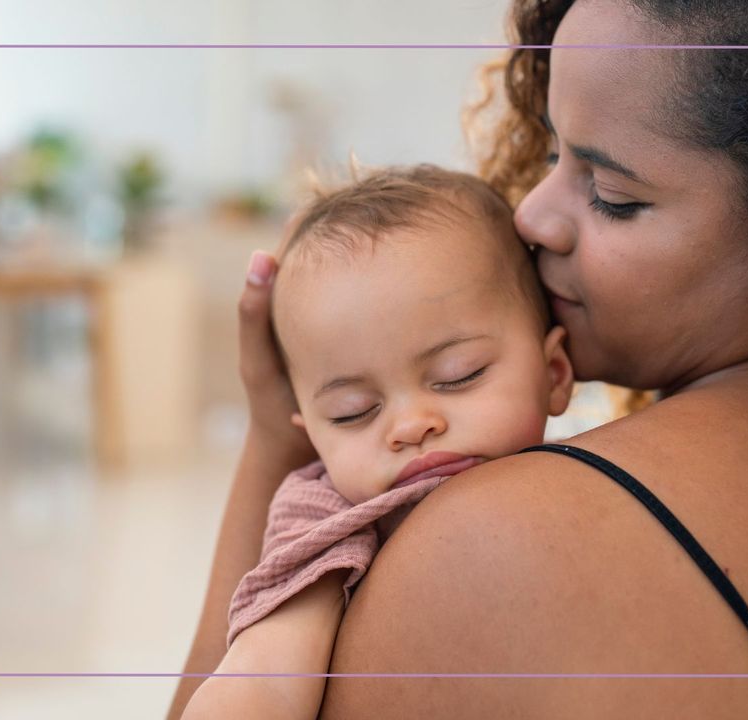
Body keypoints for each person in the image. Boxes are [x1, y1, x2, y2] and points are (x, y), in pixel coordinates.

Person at [169, 0, 748, 717]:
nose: (531, 214)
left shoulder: (491, 544)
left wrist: (276, 443)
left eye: (614, 196)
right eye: (555, 152)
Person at [181, 165, 574, 720]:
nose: (410, 425)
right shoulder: (328, 518)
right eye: (353, 412)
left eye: (459, 374)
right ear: (310, 436)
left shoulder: (587, 474)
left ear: (554, 373)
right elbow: (261, 681)